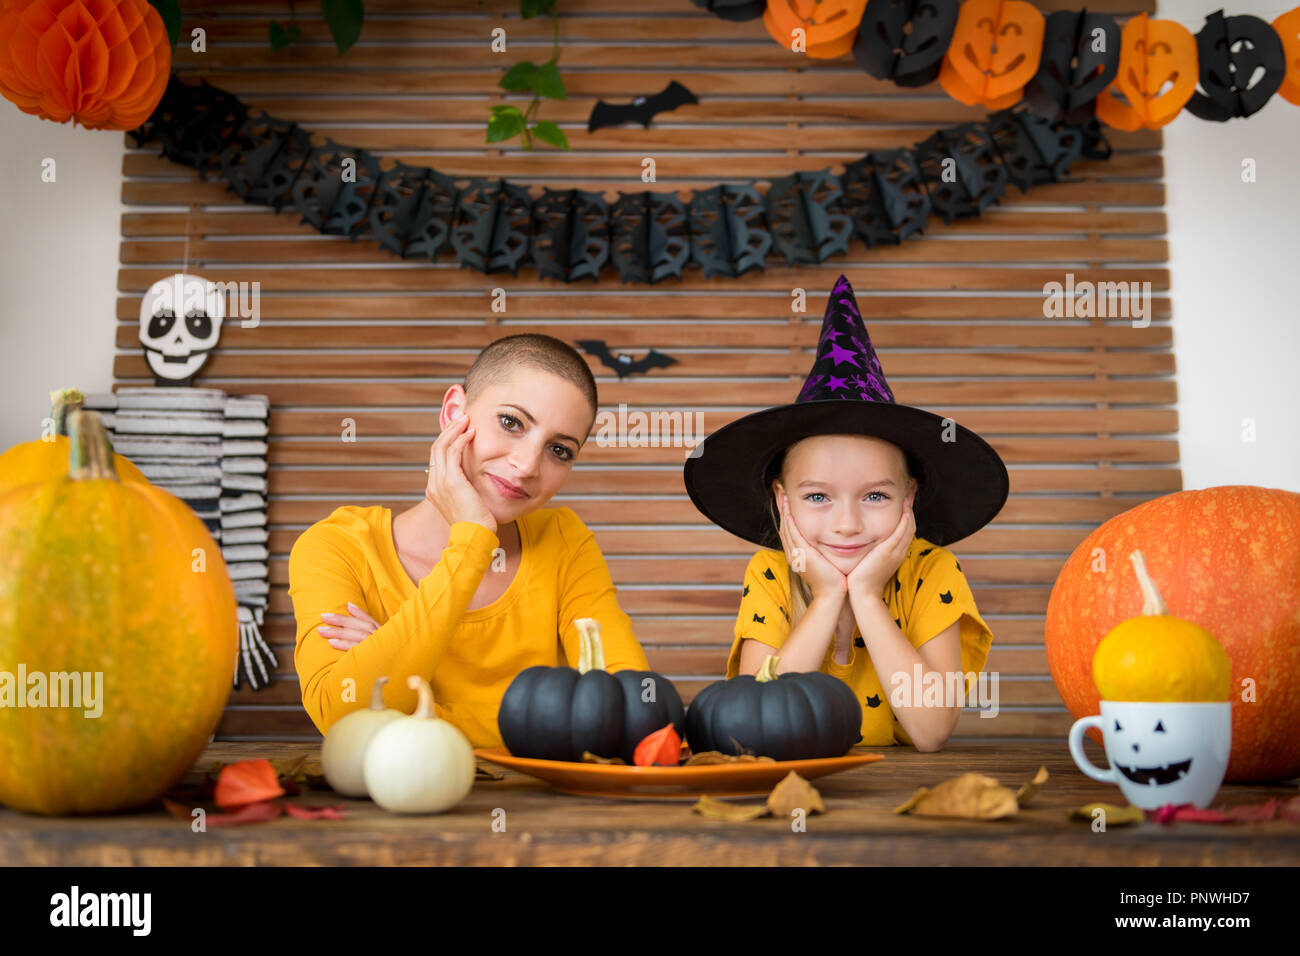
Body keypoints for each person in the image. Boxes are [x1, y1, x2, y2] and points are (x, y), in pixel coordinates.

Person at [683, 275, 1009, 752]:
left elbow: (931, 731)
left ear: (909, 497)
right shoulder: (772, 572)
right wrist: (828, 597)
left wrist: (869, 598)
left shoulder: (932, 572)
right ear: (782, 500)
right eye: (818, 497)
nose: (847, 524)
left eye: (875, 496)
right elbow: (751, 727)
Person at [288, 333, 650, 746]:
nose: (527, 465)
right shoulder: (338, 548)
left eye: (559, 450)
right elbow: (343, 717)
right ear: (453, 412)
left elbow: (631, 715)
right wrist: (473, 540)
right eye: (511, 423)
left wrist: (409, 709)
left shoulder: (564, 541)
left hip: (546, 810)